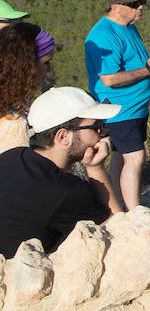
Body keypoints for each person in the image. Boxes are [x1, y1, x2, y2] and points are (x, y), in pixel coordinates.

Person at [0, 87, 123, 257]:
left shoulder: (11, 156)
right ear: (63, 137)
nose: (103, 133)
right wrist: (96, 168)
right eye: (97, 126)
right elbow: (122, 230)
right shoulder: (66, 190)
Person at [84, 0, 150, 212]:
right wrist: (148, 71)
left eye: (142, 2)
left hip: (134, 108)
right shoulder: (103, 35)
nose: (140, 8)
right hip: (119, 109)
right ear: (116, 7)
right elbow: (109, 79)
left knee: (121, 157)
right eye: (133, 4)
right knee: (135, 158)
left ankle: (122, 206)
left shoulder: (128, 27)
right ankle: (134, 212)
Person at [0, 22, 55, 153]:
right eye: (46, 62)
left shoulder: (13, 104)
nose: (49, 69)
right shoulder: (13, 124)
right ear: (27, 65)